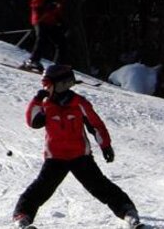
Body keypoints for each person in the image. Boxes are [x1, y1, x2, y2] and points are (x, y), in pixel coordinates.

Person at [11, 65, 142, 229]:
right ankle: (22, 217)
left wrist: (105, 145)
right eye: (45, 86)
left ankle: (128, 212)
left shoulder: (79, 103)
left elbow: (95, 125)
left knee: (100, 186)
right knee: (40, 189)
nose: (46, 89)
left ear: (63, 84)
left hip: (80, 156)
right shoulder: (46, 105)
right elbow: (32, 122)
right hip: (56, 157)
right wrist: (37, 100)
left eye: (49, 86)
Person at [24, 0, 72, 72]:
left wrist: (62, 22)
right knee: (42, 39)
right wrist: (46, 5)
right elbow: (34, 4)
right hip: (40, 19)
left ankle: (58, 66)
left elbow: (57, 12)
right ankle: (33, 60)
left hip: (51, 22)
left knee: (62, 42)